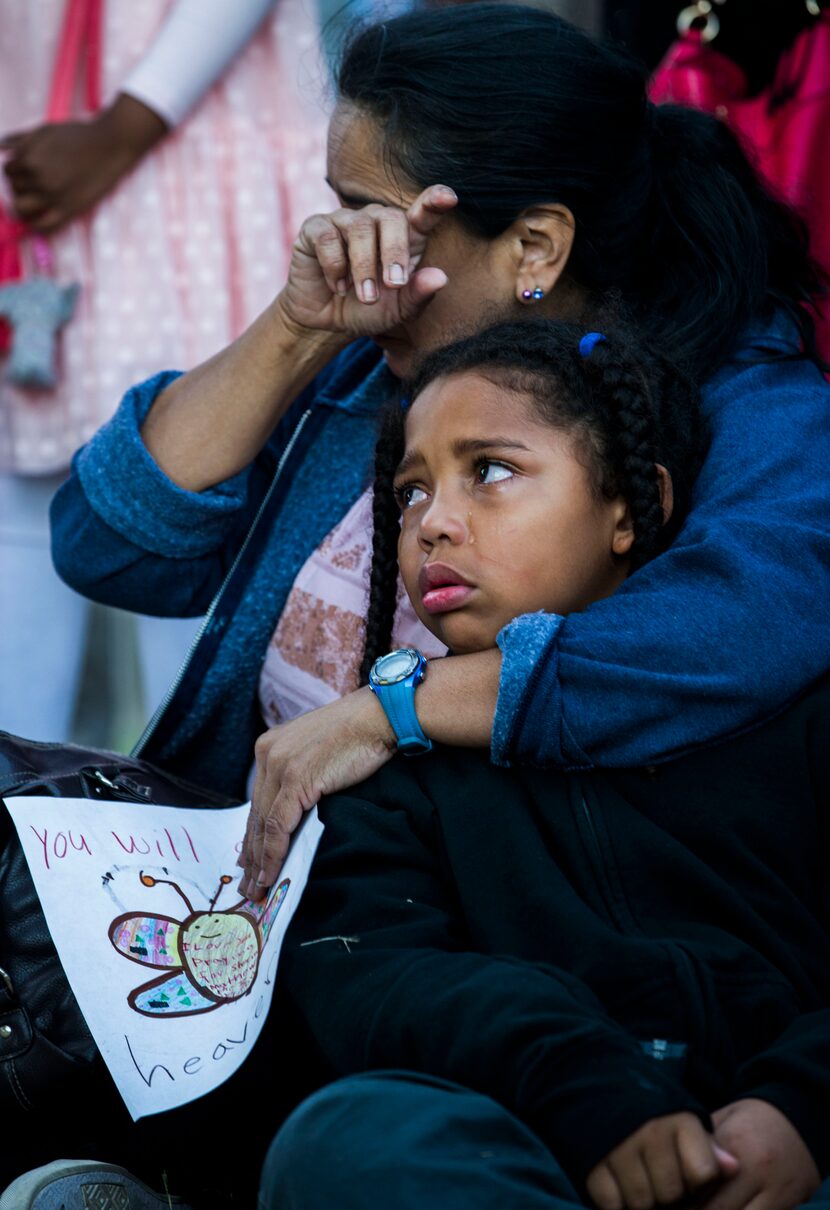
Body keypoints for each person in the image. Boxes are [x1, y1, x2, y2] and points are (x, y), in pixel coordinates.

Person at [48, 5, 830, 898]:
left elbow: (742, 625)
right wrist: (297, 329)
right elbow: (107, 550)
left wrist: (391, 714)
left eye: (367, 214)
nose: (343, 245)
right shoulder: (372, 357)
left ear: (534, 245)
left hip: (492, 956)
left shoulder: (747, 407)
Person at [261, 319, 830, 1209]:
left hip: (789, 1155)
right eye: (411, 494)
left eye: (490, 470)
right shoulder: (388, 772)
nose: (433, 524)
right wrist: (586, 1089)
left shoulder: (782, 716)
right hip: (539, 1148)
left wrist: (801, 1108)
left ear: (627, 507)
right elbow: (368, 977)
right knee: (343, 1140)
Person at [0, 0, 331, 741]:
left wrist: (125, 126)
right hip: (32, 173)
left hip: (184, 159)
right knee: (22, 486)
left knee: (201, 493)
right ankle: (20, 827)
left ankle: (196, 829)